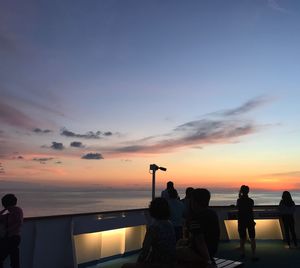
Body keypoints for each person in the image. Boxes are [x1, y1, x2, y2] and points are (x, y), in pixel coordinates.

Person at [122, 197, 176, 268]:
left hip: (158, 263)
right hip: (170, 262)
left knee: (125, 266)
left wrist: (138, 263)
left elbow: (145, 250)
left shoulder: (153, 227)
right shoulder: (170, 224)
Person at [176, 188, 220, 268]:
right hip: (212, 250)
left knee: (173, 252)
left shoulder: (196, 218)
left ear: (194, 202)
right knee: (180, 242)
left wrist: (208, 261)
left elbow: (200, 242)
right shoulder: (212, 213)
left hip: (200, 253)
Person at [0, 194, 23, 268]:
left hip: (12, 238)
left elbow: (19, 223)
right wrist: (5, 209)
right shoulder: (8, 213)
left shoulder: (17, 210)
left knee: (11, 259)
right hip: (11, 238)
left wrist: (7, 231)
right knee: (14, 260)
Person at [236, 185, 258, 261]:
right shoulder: (251, 201)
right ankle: (254, 255)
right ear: (248, 191)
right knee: (252, 238)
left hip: (241, 221)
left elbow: (239, 209)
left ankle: (242, 253)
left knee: (242, 238)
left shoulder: (239, 201)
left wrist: (239, 195)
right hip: (250, 221)